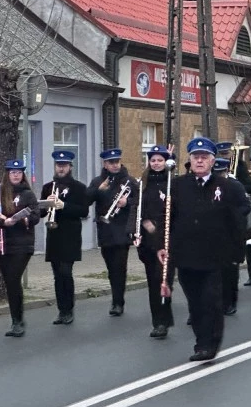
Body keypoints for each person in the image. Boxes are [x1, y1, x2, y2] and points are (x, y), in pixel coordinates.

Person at [158, 138, 246, 362]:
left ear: (212, 160)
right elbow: (167, 219)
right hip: (186, 255)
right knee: (195, 303)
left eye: (204, 157)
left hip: (215, 256)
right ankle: (200, 343)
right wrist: (163, 245)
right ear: (189, 160)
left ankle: (210, 344)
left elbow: (238, 221)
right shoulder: (177, 186)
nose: (199, 160)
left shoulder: (227, 187)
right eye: (196, 157)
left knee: (211, 302)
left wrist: (236, 252)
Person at [0, 159, 40, 337]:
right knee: (10, 283)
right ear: (7, 175)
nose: (16, 175)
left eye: (19, 172)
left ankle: (18, 322)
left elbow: (36, 216)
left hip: (22, 245)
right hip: (2, 245)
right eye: (12, 172)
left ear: (23, 175)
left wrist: (23, 219)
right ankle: (16, 318)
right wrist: (3, 221)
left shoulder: (28, 195)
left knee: (14, 280)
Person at [131, 145, 176, 339]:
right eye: (153, 160)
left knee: (163, 279)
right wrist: (139, 226)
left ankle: (164, 320)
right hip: (148, 240)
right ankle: (158, 320)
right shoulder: (143, 184)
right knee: (152, 281)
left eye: (160, 160)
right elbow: (135, 208)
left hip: (168, 239)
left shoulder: (173, 184)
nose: (156, 163)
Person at [87, 149, 138, 317]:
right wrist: (98, 191)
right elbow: (86, 200)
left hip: (122, 231)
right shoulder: (98, 181)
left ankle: (118, 302)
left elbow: (140, 201)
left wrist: (127, 201)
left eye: (117, 162)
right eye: (111, 162)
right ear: (105, 164)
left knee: (119, 268)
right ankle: (116, 298)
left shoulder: (129, 181)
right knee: (111, 269)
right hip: (105, 231)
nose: (115, 165)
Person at [40, 150, 89, 325]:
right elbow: (40, 212)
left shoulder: (79, 187)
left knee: (65, 272)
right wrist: (47, 203)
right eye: (58, 166)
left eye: (64, 166)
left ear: (70, 167)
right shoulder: (48, 187)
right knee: (56, 275)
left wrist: (63, 205)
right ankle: (61, 310)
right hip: (53, 236)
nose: (61, 169)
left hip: (70, 235)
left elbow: (84, 211)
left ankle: (69, 309)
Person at [212, 157, 251, 315]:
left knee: (229, 271)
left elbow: (245, 207)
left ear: (226, 171)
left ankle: (230, 302)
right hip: (212, 235)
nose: (218, 175)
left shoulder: (235, 186)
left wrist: (231, 216)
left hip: (231, 234)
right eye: (216, 172)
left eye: (221, 172)